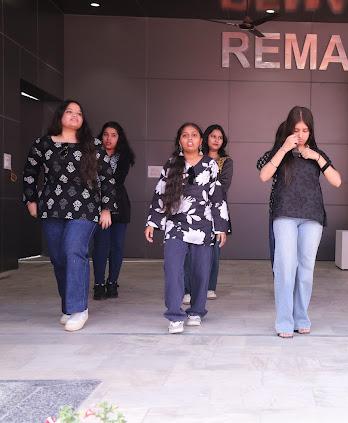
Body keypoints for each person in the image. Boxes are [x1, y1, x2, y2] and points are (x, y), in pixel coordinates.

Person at [22, 99, 116, 332]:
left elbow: (107, 177)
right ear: (60, 116)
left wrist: (106, 208)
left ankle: (79, 309)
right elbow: (30, 171)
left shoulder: (93, 145)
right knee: (58, 257)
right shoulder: (43, 144)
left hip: (85, 207)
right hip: (52, 207)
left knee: (74, 250)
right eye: (70, 111)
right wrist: (31, 200)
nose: (75, 115)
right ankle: (68, 306)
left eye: (79, 113)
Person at [259, 106, 341, 338]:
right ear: (289, 129)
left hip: (312, 216)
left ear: (311, 131)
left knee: (305, 270)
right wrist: (284, 148)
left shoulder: (316, 154)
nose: (301, 135)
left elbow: (337, 181)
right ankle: (284, 321)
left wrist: (317, 157)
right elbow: (263, 175)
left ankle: (301, 316)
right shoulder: (279, 152)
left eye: (305, 130)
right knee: (285, 267)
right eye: (296, 130)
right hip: (284, 214)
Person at [145, 123, 229, 334]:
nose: (190, 138)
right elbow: (160, 193)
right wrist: (152, 222)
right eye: (185, 135)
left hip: (203, 225)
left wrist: (221, 227)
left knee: (201, 271)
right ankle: (174, 315)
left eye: (194, 135)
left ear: (201, 140)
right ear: (179, 140)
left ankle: (196, 311)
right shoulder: (172, 163)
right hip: (175, 225)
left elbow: (217, 197)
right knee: (173, 269)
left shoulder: (210, 164)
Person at [182, 124, 233, 303]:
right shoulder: (195, 158)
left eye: (220, 137)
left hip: (215, 209)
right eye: (213, 136)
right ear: (205, 138)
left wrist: (202, 190)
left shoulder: (226, 161)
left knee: (213, 252)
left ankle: (210, 287)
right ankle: (187, 290)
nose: (216, 140)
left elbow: (223, 186)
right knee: (189, 252)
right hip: (192, 209)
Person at [92, 121, 135, 300]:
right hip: (97, 205)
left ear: (119, 138)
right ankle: (99, 284)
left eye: (113, 135)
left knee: (117, 247)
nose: (109, 139)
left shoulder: (124, 157)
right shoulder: (91, 154)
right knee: (101, 246)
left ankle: (112, 283)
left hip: (119, 205)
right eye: (105, 134)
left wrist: (108, 206)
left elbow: (115, 181)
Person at [256, 122, 286, 268]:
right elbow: (260, 164)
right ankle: (279, 279)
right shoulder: (275, 154)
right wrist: (280, 151)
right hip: (278, 207)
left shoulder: (305, 154)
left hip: (301, 209)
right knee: (277, 249)